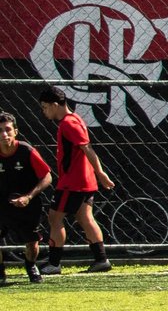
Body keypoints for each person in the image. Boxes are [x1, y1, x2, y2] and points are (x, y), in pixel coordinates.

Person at [37, 86, 113, 274]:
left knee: (54, 217)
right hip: (84, 182)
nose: (44, 112)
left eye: (45, 107)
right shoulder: (74, 120)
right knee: (85, 217)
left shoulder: (68, 124)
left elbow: (88, 149)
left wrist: (101, 173)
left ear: (55, 105)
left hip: (74, 183)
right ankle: (101, 260)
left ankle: (54, 263)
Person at [0, 112, 53, 286]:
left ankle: (31, 266)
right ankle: (1, 271)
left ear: (16, 131)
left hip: (27, 205)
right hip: (2, 204)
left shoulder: (26, 150)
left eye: (7, 130)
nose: (4, 134)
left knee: (32, 242)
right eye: (0, 131)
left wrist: (28, 197)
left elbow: (47, 177)